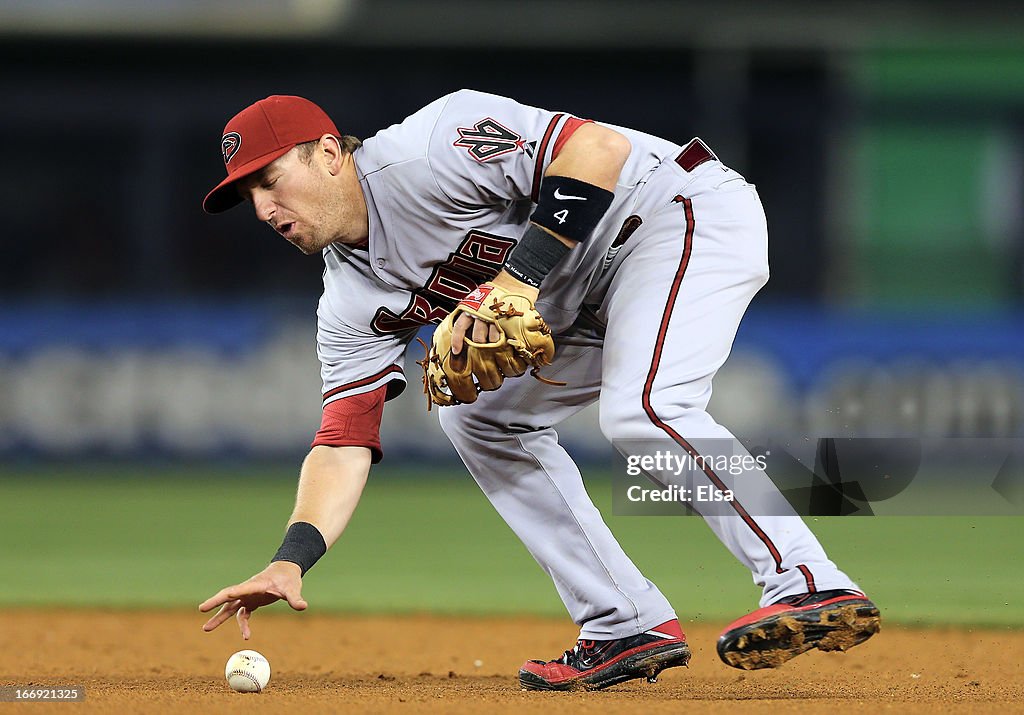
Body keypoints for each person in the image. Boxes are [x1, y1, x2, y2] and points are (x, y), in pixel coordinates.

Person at [198, 91, 880, 690]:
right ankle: (623, 619)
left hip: (672, 214)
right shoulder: (349, 301)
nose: (262, 207)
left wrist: (517, 281)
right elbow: (344, 440)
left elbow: (598, 147)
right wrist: (291, 561)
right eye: (247, 197)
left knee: (645, 406)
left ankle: (806, 577)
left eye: (269, 178)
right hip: (581, 296)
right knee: (474, 417)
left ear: (326, 153)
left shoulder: (434, 144)